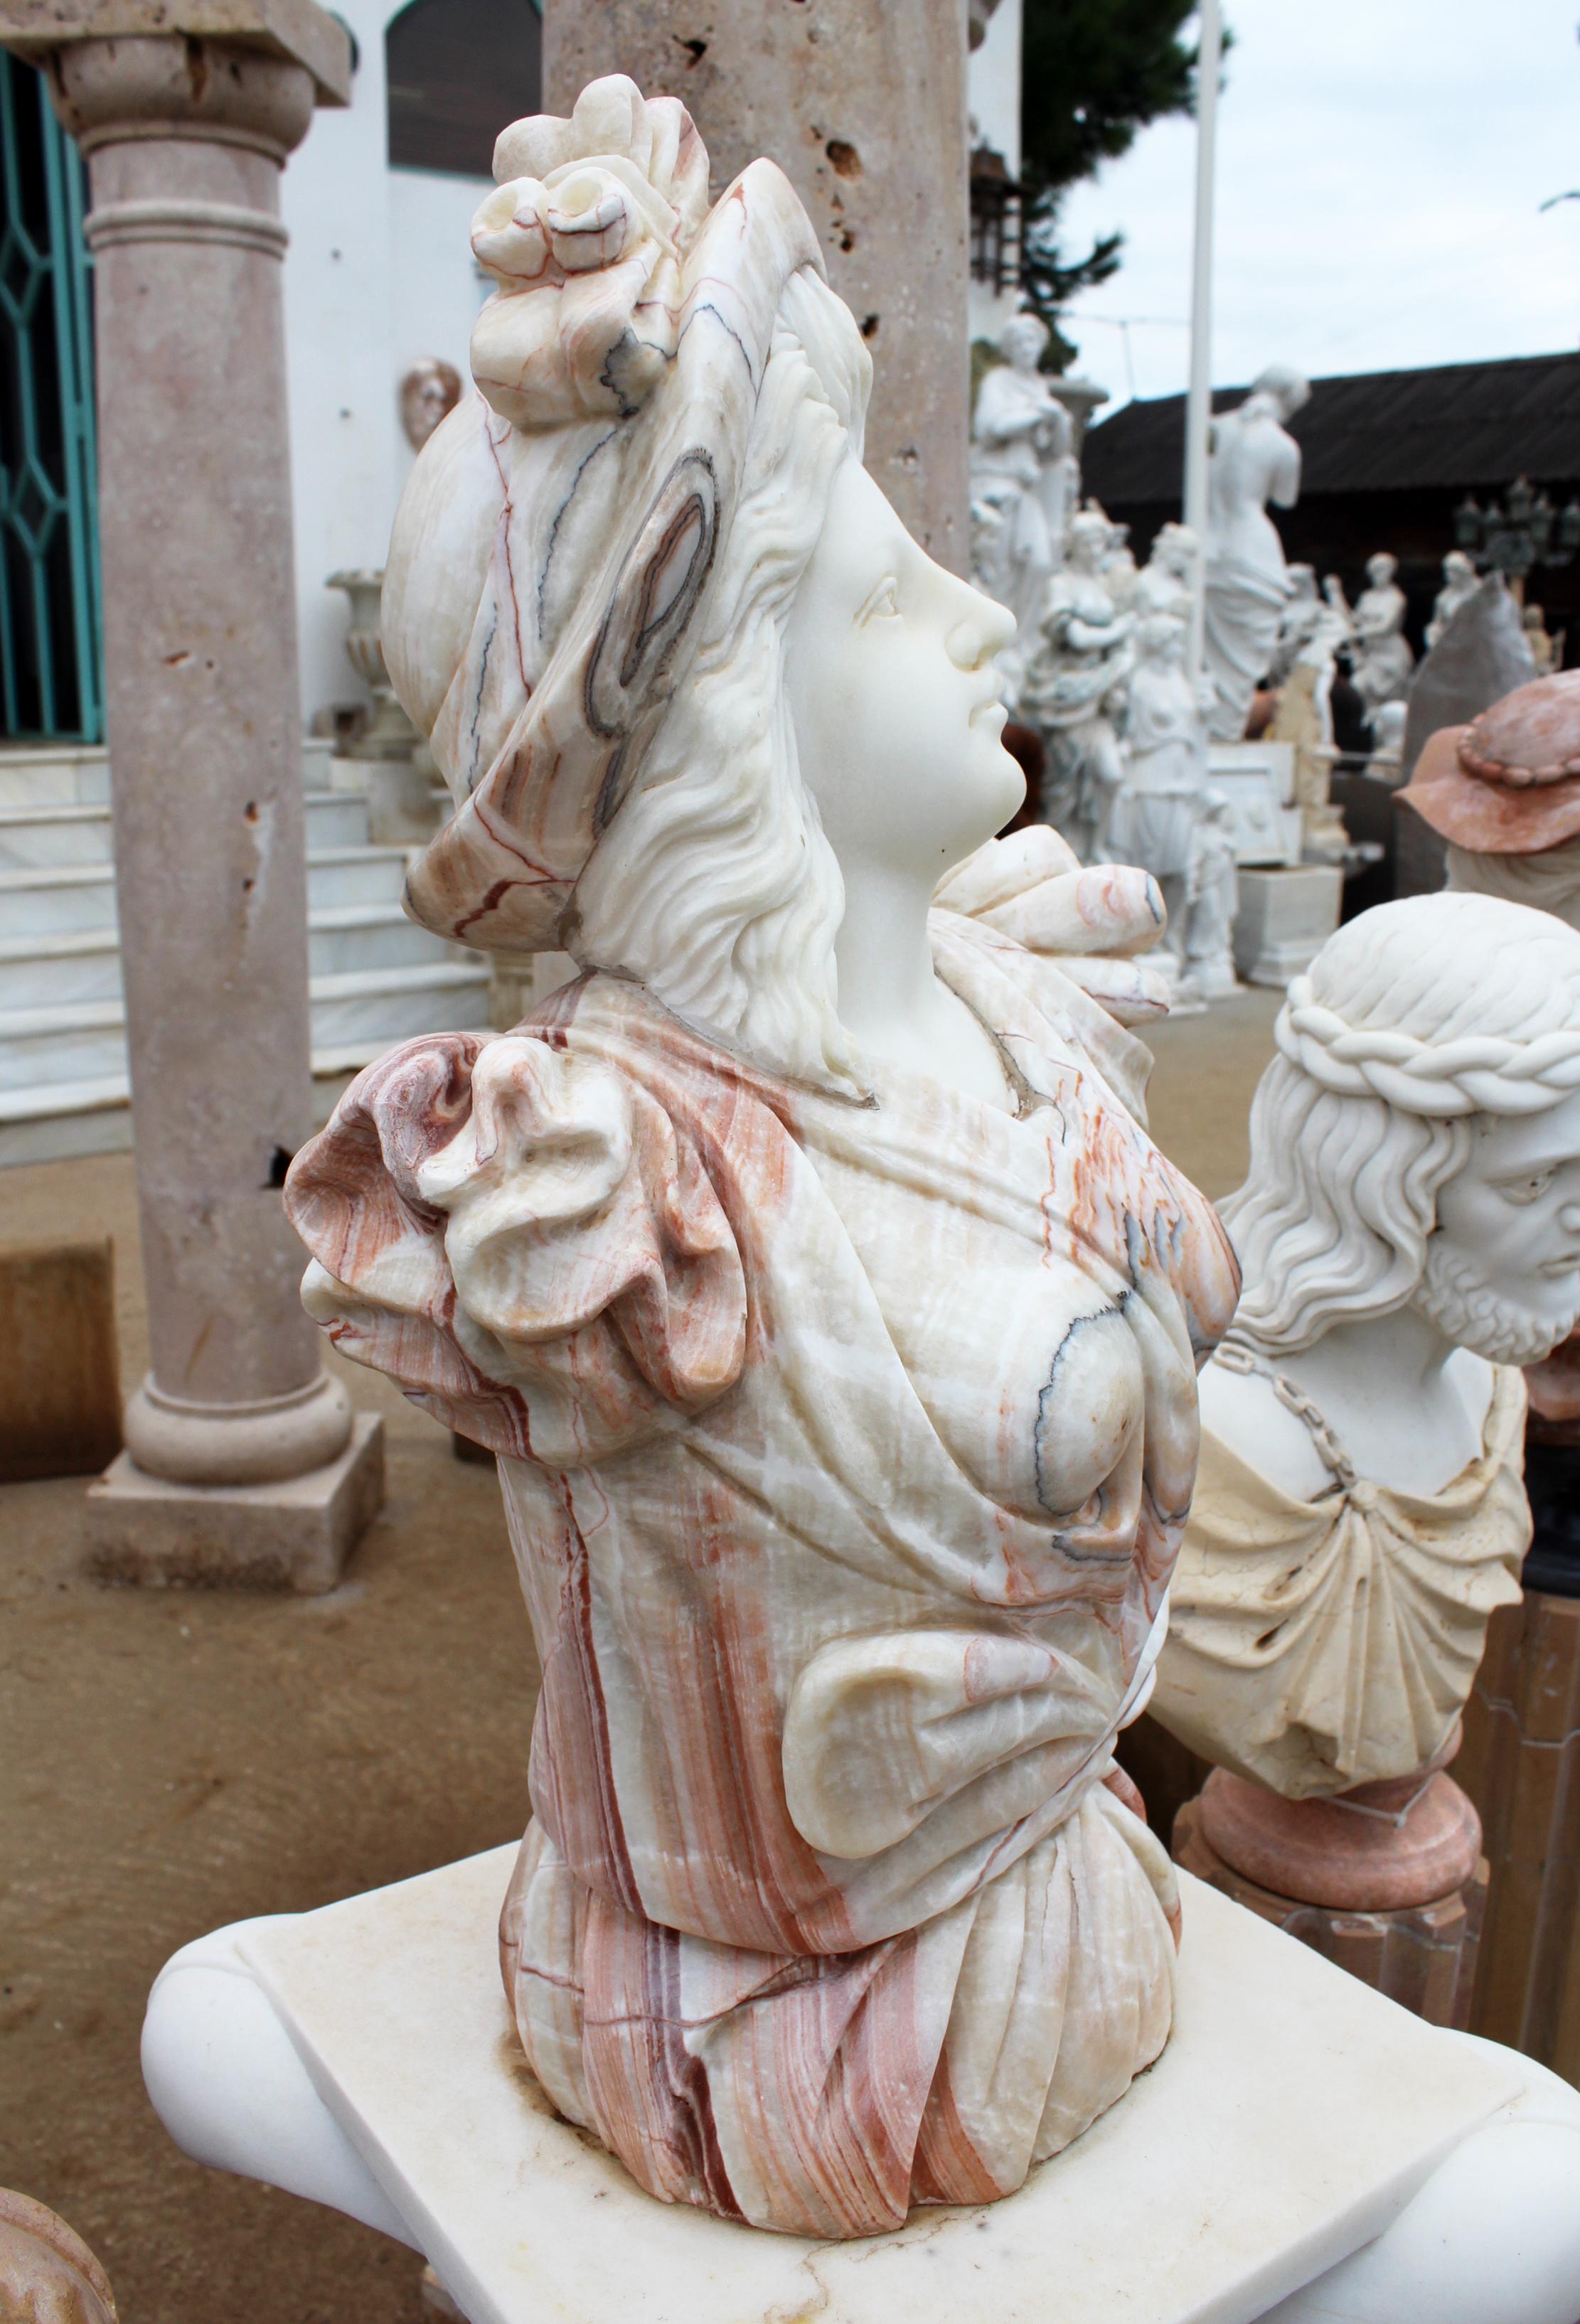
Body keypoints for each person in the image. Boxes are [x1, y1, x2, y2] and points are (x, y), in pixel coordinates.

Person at [281, 76, 1237, 2241]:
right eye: (872, 585)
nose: (967, 607)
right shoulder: (618, 1187)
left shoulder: (998, 1005)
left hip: (1043, 1878)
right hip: (786, 2035)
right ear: (722, 726)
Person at [1202, 364, 1310, 741]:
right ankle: (1226, 733)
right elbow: (1284, 497)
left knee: (1208, 657)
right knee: (1245, 662)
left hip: (1211, 548)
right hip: (1253, 551)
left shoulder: (1215, 428)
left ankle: (1215, 733)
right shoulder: (1284, 446)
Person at [969, 311, 1077, 653]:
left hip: (1027, 487)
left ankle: (1021, 642)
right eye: (1018, 343)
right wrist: (1039, 412)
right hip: (998, 485)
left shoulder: (1040, 389)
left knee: (1040, 562)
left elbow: (1056, 451)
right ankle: (999, 644)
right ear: (1009, 349)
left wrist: (1059, 419)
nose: (1025, 348)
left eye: (1031, 341)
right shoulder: (998, 382)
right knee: (1000, 569)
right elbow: (989, 428)